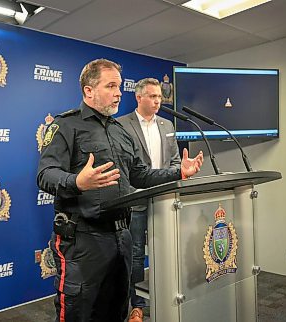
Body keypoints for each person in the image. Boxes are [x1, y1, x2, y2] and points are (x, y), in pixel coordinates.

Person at [37, 58, 203, 322]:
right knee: (79, 312)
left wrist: (179, 172)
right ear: (88, 91)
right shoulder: (66, 125)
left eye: (119, 87)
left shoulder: (120, 131)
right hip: (83, 240)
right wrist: (77, 182)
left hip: (121, 237)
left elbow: (139, 174)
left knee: (115, 309)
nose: (118, 93)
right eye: (110, 86)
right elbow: (45, 174)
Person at [117, 78, 180, 322]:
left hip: (163, 199)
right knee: (134, 254)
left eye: (159, 97)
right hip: (136, 200)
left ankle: (166, 296)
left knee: (165, 250)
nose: (157, 101)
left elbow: (174, 161)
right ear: (139, 97)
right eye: (152, 96)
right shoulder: (121, 125)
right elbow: (124, 168)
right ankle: (136, 304)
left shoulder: (167, 124)